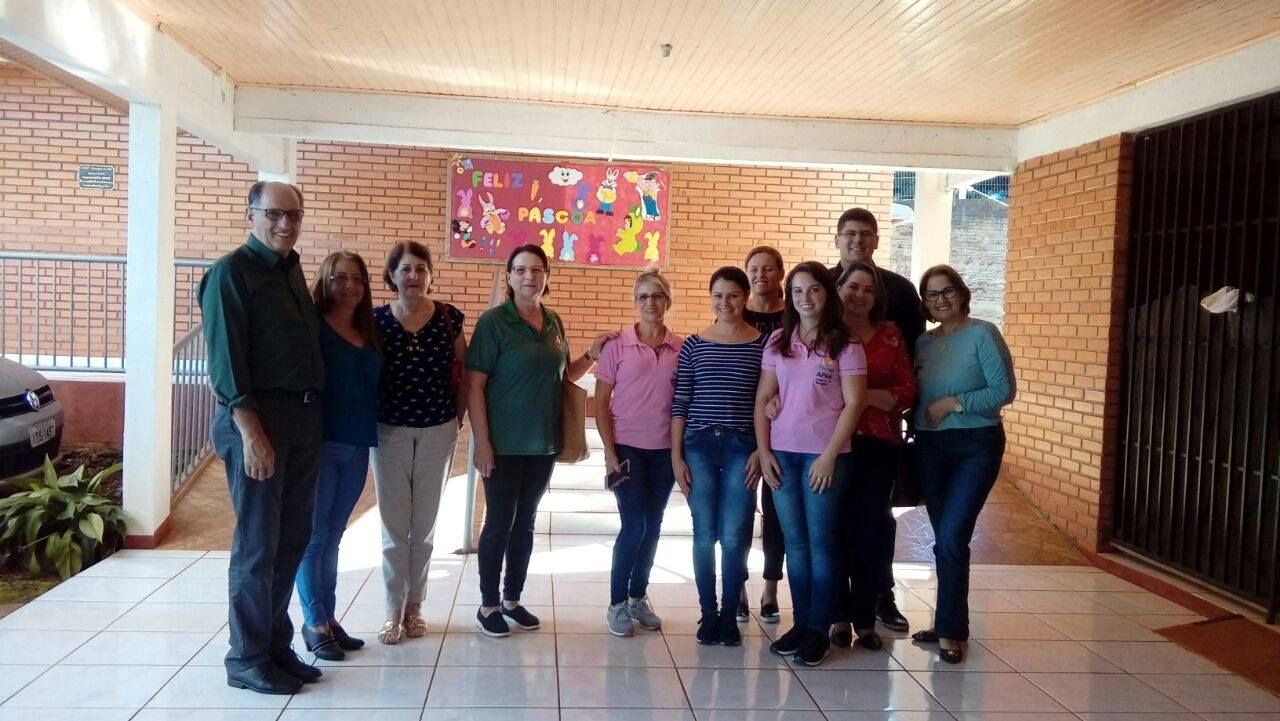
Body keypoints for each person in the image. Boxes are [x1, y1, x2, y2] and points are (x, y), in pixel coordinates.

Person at [200, 181, 324, 695]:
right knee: (258, 545)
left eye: (294, 214)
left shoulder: (290, 269)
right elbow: (226, 364)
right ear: (250, 213)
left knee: (291, 540)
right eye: (274, 213)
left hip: (301, 422)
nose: (285, 223)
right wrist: (251, 433)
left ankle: (274, 645)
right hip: (259, 423)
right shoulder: (231, 273)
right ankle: (246, 657)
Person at [466, 244, 611, 638]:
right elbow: (474, 385)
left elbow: (564, 377)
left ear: (547, 276)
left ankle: (512, 600)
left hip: (543, 443)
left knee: (525, 523)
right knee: (499, 523)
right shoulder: (494, 322)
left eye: (536, 270)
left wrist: (591, 355)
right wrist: (482, 442)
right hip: (503, 443)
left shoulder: (553, 321)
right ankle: (488, 605)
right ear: (509, 276)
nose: (529, 276)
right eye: (520, 270)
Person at [754, 261, 867, 666]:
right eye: (798, 290)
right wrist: (764, 452)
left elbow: (854, 403)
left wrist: (830, 455)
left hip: (824, 458)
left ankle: (820, 629)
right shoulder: (779, 341)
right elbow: (762, 398)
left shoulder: (846, 344)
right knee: (796, 545)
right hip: (782, 456)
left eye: (814, 289)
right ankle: (802, 623)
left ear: (827, 294)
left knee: (822, 545)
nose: (806, 298)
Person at [909, 264, 1015, 664]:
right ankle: (947, 622)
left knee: (953, 537)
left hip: (976, 445)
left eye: (948, 291)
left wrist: (954, 403)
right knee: (944, 539)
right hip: (930, 447)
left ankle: (951, 631)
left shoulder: (983, 333)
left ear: (962, 293)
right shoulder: (923, 343)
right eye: (932, 294)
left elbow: (1004, 390)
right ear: (925, 302)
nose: (941, 300)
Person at [829, 207, 923, 632]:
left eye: (865, 233)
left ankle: (880, 598)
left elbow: (913, 365)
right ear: (837, 239)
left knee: (876, 521)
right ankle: (835, 608)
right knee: (834, 521)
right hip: (830, 437)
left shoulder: (900, 292)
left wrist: (882, 401)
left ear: (877, 240)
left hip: (880, 434)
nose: (857, 240)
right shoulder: (821, 289)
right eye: (849, 233)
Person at [370, 240, 467, 644]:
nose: (414, 276)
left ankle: (415, 608)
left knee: (423, 526)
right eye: (406, 269)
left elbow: (464, 371)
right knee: (394, 527)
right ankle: (392, 609)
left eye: (421, 269)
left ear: (430, 276)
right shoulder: (375, 320)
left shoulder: (449, 318)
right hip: (388, 432)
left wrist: (456, 421)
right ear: (392, 276)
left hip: (437, 430)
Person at [671, 266, 767, 647]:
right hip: (698, 446)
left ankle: (730, 615)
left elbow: (768, 401)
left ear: (745, 298)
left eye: (732, 295)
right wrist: (676, 456)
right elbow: (680, 402)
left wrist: (761, 449)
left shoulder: (763, 345)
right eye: (717, 296)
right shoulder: (694, 345)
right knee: (704, 533)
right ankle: (708, 613)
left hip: (743, 447)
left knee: (734, 535)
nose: (724, 302)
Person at [295, 251, 381, 662]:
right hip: (321, 445)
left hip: (358, 444)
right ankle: (314, 622)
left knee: (334, 535)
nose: (349, 286)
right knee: (314, 537)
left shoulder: (369, 330)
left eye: (357, 279)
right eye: (339, 278)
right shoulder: (312, 327)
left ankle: (328, 617)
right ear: (325, 282)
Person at [595, 268, 683, 637]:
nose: (650, 303)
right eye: (643, 297)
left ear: (667, 301)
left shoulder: (681, 348)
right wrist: (609, 452)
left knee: (654, 525)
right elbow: (600, 403)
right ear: (635, 302)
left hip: (664, 452)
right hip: (627, 449)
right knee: (634, 525)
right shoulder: (617, 345)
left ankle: (637, 597)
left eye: (657, 296)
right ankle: (616, 603)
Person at [740, 246, 786, 623]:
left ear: (780, 274)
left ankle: (770, 590)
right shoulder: (737, 311)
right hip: (742, 422)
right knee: (740, 510)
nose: (760, 275)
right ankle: (738, 588)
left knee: (775, 513)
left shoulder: (794, 315)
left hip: (784, 422)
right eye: (754, 269)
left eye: (768, 269)